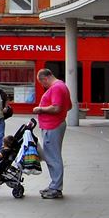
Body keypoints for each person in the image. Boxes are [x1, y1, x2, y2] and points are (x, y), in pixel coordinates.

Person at [33, 68, 70, 199]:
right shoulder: (62, 86)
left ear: (45, 78)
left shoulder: (56, 88)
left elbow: (56, 107)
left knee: (53, 157)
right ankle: (54, 185)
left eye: (42, 83)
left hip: (52, 126)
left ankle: (56, 187)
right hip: (56, 124)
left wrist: (40, 109)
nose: (43, 86)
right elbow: (68, 106)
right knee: (53, 156)